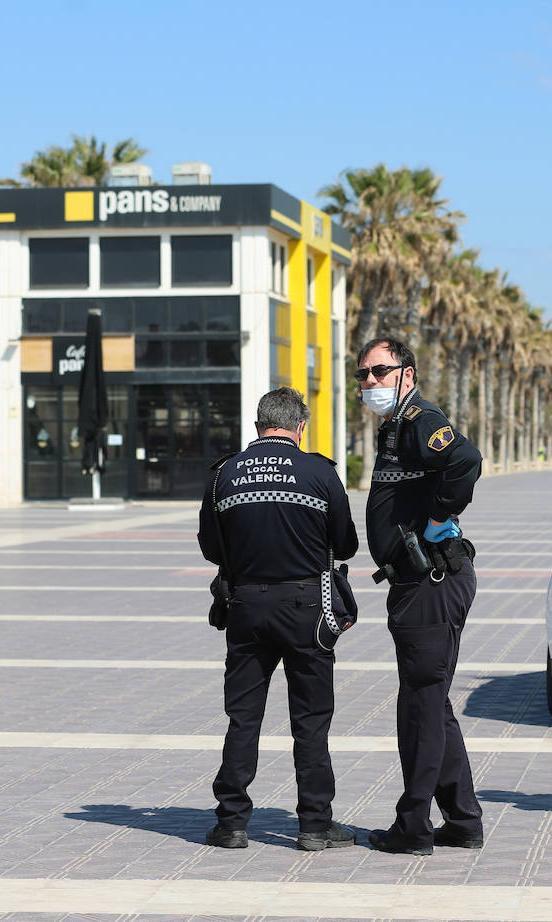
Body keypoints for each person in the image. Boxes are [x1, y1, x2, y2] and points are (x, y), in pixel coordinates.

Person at [198, 387, 359, 851]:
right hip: (308, 608)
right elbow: (345, 545)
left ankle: (231, 822)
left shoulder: (223, 475)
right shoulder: (319, 472)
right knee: (311, 720)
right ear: (300, 426)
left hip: (246, 606)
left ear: (257, 426)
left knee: (242, 717)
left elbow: (210, 547)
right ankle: (313, 824)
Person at [357, 336, 484, 856]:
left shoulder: (418, 420)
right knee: (432, 704)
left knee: (420, 708)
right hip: (416, 583)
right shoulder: (395, 429)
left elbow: (466, 460)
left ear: (407, 373)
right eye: (362, 374)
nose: (369, 383)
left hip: (431, 581)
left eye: (380, 372)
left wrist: (436, 521)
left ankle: (413, 826)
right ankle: (463, 819)